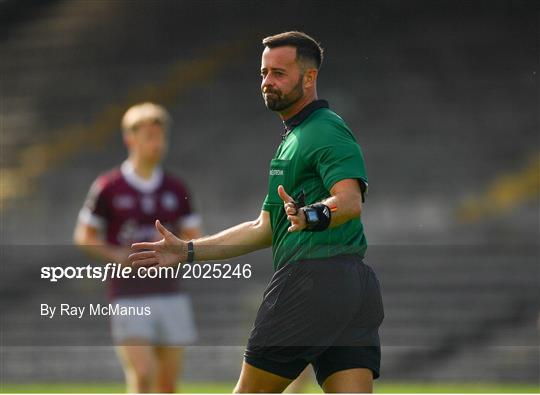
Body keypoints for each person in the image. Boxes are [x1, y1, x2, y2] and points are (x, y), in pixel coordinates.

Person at [129, 31, 384, 393]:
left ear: (309, 77)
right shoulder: (294, 139)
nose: (267, 82)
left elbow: (348, 201)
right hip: (351, 287)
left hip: (311, 280)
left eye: (278, 73)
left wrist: (311, 215)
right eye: (263, 73)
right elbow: (264, 226)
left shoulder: (325, 130)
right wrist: (187, 250)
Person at [74, 102, 202, 393]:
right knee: (143, 374)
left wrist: (179, 250)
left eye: (161, 137)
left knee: (167, 384)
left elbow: (195, 235)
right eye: (149, 137)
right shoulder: (109, 186)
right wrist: (116, 255)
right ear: (130, 139)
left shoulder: (175, 188)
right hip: (128, 296)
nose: (157, 144)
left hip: (170, 294)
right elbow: (84, 235)